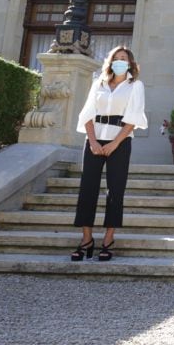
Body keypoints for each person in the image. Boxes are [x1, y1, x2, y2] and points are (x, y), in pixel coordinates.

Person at [71, 46, 147, 262]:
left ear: (130, 63)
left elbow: (133, 117)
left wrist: (114, 143)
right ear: (111, 61)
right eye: (116, 58)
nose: (120, 61)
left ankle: (108, 239)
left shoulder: (136, 86)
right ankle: (86, 239)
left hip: (120, 142)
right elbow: (87, 113)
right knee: (88, 188)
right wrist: (93, 141)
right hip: (94, 139)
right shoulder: (99, 82)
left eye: (124, 58)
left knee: (115, 190)